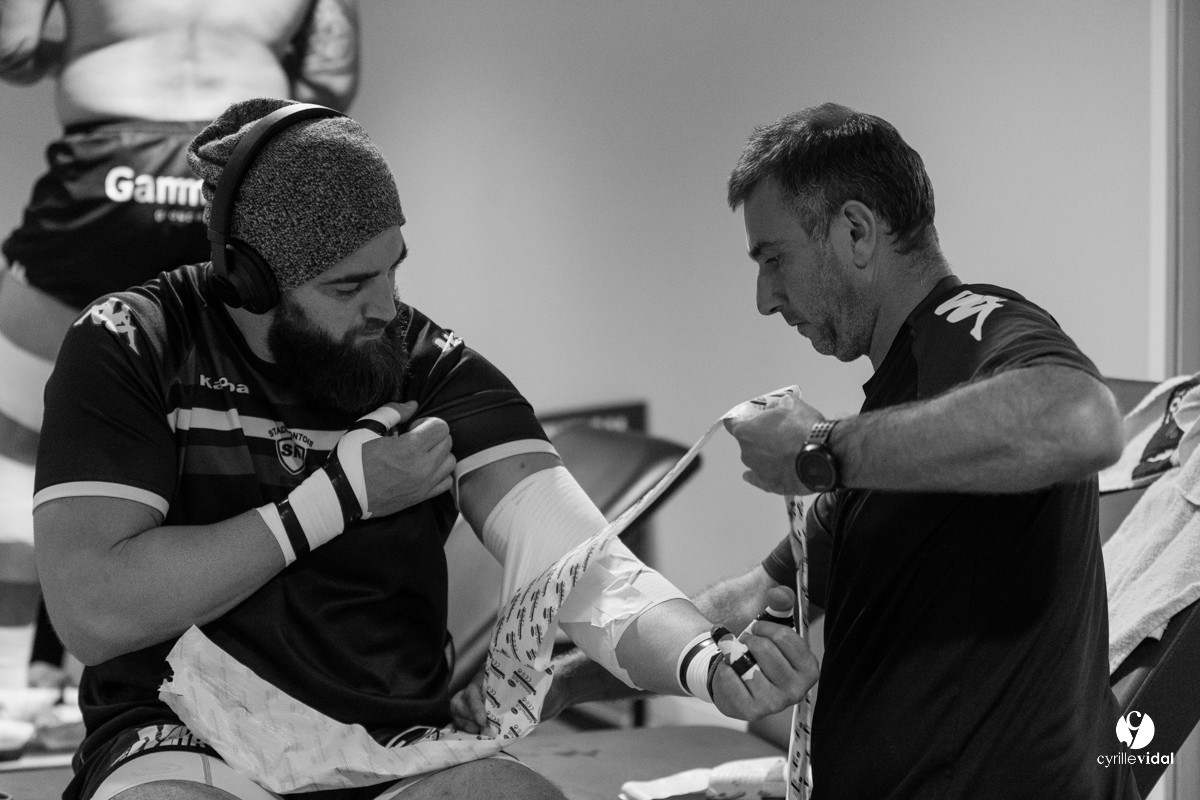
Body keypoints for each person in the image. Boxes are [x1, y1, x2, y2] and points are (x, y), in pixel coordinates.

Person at [32, 97, 818, 800]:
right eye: (348, 287)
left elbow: (585, 572)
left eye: (393, 269)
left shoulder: (430, 366)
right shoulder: (134, 341)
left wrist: (707, 662)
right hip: (184, 729)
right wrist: (336, 500)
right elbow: (93, 611)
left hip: (385, 744)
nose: (386, 307)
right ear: (251, 282)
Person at [542, 103, 1141, 799]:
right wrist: (561, 683)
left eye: (774, 259)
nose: (765, 298)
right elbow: (752, 597)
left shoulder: (970, 322)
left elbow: (1085, 420)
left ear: (856, 231)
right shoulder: (890, 431)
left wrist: (817, 448)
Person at [0, 0, 360, 688]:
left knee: (14, 447)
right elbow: (328, 85)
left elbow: (14, 50)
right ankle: (165, 684)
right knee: (221, 441)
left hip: (109, 170)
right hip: (240, 168)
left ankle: (6, 685)